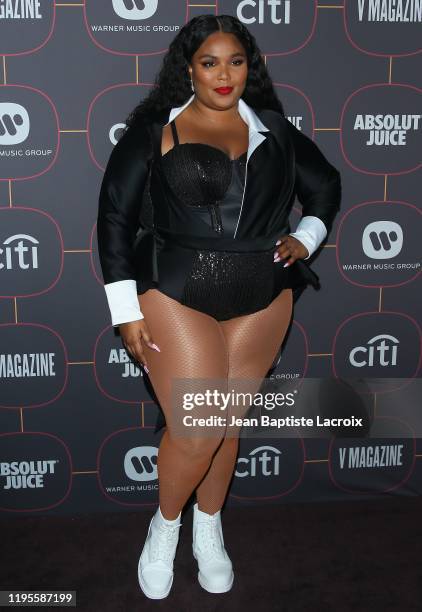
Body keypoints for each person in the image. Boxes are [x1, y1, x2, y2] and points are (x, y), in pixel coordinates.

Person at [97, 14, 341, 600]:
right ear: (189, 69)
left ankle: (209, 527)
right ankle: (166, 525)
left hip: (263, 296)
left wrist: (305, 237)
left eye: (236, 61)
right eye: (210, 62)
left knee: (224, 422)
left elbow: (326, 186)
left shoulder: (276, 131)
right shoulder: (154, 130)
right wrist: (125, 310)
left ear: (249, 67)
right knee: (198, 423)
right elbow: (114, 220)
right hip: (175, 289)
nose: (224, 74)